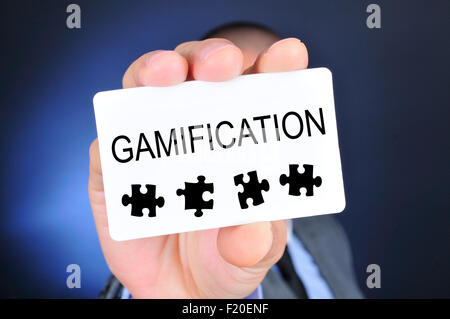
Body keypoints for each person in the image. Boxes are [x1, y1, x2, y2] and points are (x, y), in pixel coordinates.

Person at [89, 22, 362, 299]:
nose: (252, 131)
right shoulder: (181, 244)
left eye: (274, 103)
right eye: (229, 106)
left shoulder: (324, 230)